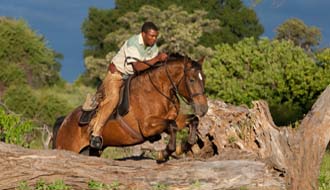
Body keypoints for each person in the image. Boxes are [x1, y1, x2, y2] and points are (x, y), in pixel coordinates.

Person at [89, 21, 168, 149]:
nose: (154, 39)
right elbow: (137, 67)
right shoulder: (133, 43)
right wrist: (157, 59)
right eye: (151, 36)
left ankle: (151, 129)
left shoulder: (153, 48)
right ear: (143, 34)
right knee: (113, 99)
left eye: (155, 37)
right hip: (117, 75)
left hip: (133, 78)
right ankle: (96, 134)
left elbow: (150, 68)